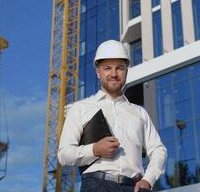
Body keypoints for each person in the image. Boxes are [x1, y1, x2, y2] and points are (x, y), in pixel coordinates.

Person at [58, 40, 167, 192]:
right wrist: (95, 149)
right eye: (107, 68)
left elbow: (158, 150)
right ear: (98, 72)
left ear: (126, 71)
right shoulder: (80, 108)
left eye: (120, 68)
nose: (114, 74)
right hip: (96, 185)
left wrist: (148, 180)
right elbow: (64, 155)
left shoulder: (139, 112)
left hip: (134, 186)